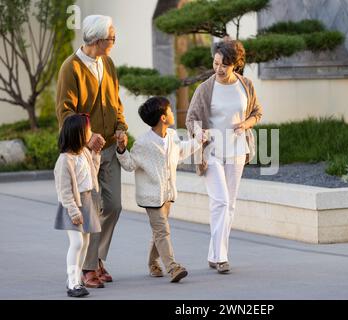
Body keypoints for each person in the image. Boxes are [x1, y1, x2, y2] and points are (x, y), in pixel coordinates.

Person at [55, 15, 128, 288]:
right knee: (92, 209)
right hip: (85, 153)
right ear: (97, 40)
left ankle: (96, 258)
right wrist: (87, 138)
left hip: (110, 146)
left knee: (114, 205)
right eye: (111, 38)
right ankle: (88, 267)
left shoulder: (107, 63)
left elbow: (116, 101)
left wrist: (121, 126)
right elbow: (65, 113)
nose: (114, 42)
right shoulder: (70, 68)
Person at [186, 40, 263, 274]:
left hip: (237, 150)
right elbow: (191, 119)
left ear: (235, 65)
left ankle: (213, 253)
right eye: (216, 63)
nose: (218, 68)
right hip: (212, 152)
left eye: (224, 65)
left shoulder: (245, 84)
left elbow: (257, 112)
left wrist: (246, 123)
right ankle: (221, 257)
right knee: (220, 201)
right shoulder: (205, 88)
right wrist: (199, 132)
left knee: (229, 204)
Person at [116, 97, 206, 282]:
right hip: (151, 197)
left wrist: (198, 141)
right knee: (163, 231)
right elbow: (130, 165)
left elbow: (181, 151)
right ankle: (173, 267)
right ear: (163, 118)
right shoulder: (143, 144)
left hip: (167, 194)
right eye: (170, 110)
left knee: (159, 232)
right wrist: (122, 150)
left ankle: (153, 263)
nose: (173, 113)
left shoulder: (172, 136)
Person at [54, 114, 101, 297]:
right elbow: (64, 191)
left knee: (85, 243)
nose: (91, 132)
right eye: (88, 130)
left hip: (87, 201)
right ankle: (72, 282)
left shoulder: (84, 153)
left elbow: (92, 175)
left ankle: (77, 279)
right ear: (78, 133)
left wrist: (96, 154)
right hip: (72, 205)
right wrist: (73, 211)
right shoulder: (65, 160)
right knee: (77, 242)